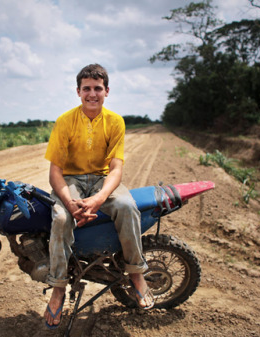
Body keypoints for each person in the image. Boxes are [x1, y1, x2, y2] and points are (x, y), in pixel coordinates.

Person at [43, 63, 154, 329]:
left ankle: (137, 274)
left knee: (127, 206)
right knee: (59, 218)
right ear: (78, 92)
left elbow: (116, 168)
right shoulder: (65, 121)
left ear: (106, 91)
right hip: (71, 181)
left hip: (103, 180)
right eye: (86, 89)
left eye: (97, 88)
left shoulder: (115, 121)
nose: (92, 94)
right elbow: (55, 172)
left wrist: (99, 198)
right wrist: (70, 203)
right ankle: (58, 287)